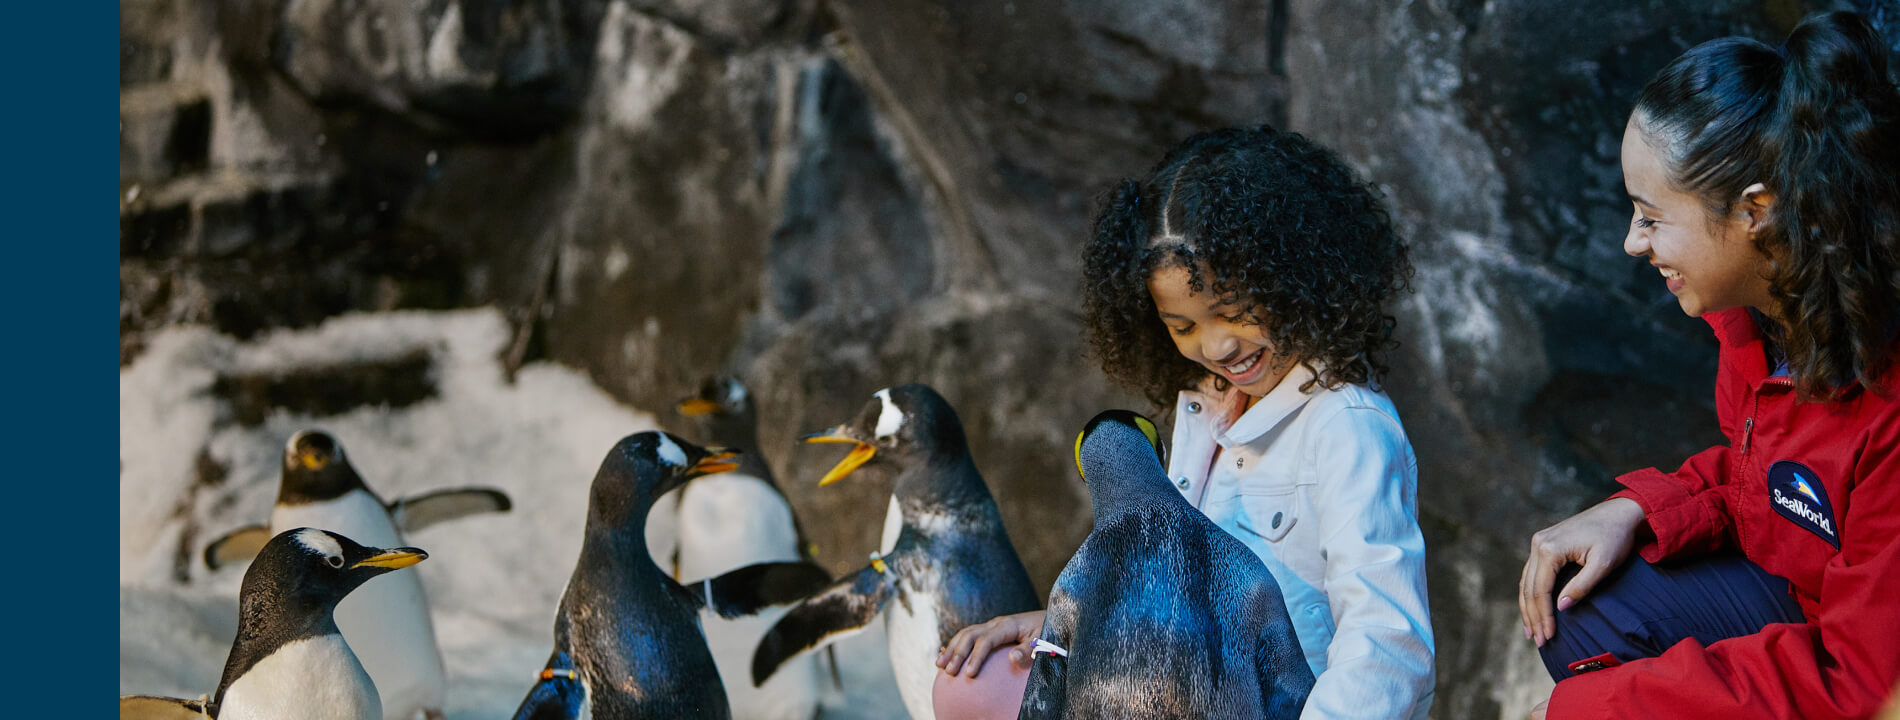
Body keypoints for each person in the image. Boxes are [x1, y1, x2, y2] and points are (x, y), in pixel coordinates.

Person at [933, 125, 1436, 720]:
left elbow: (1387, 643)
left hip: (1279, 706)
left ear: (1295, 276)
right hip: (1185, 692)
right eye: (1183, 326)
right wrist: (1059, 626)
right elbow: (1179, 596)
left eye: (1233, 310)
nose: (1217, 345)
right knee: (975, 683)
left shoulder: (1348, 427)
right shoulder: (1205, 407)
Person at [1517, 11, 1900, 720]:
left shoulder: (1887, 402)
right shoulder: (1761, 320)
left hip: (1866, 667)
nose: (1634, 243)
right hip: (1809, 606)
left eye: (1652, 216)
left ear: (1756, 211)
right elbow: (1775, 486)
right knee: (1586, 614)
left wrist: (1596, 709)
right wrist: (1637, 507)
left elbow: (1867, 683)